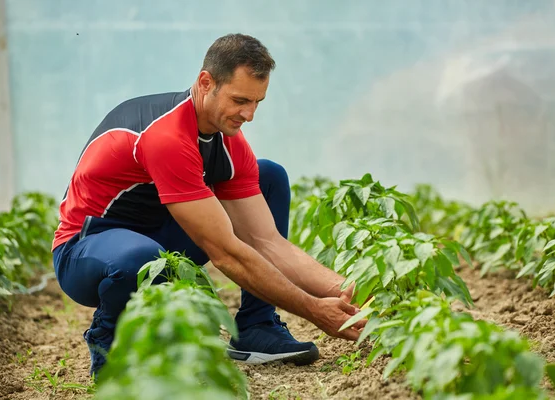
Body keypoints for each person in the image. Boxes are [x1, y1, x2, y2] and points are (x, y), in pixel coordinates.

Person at [51, 33, 366, 378]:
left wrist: (357, 295)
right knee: (140, 260)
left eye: (258, 102)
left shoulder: (226, 141)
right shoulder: (166, 136)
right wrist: (315, 311)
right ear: (206, 82)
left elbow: (267, 242)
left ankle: (257, 326)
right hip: (87, 250)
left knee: (268, 176)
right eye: (240, 100)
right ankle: (110, 349)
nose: (249, 114)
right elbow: (226, 252)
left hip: (159, 236)